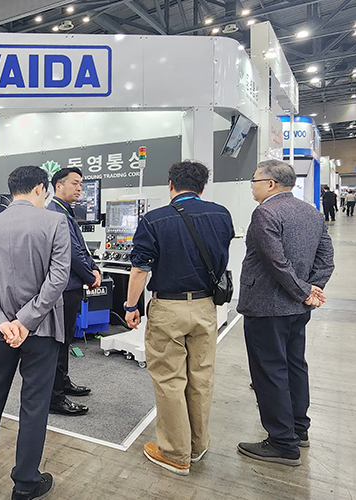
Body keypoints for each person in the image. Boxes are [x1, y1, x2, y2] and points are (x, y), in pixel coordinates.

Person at [0, 165, 71, 500]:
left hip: (0, 332)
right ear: (39, 188)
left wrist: (1, 321)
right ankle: (25, 483)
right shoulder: (55, 223)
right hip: (42, 329)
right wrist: (26, 320)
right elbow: (59, 277)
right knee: (34, 405)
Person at [124, 161, 234, 475]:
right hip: (206, 308)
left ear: (170, 184)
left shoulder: (154, 219)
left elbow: (140, 269)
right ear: (202, 187)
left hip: (168, 309)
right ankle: (197, 445)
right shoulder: (221, 215)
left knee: (169, 379)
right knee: (201, 377)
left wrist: (131, 307)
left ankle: (175, 452)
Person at [237, 160, 334, 467]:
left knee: (270, 372)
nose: (252, 186)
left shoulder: (265, 212)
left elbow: (275, 262)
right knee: (294, 366)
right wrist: (312, 288)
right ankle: (298, 428)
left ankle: (281, 442)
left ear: (270, 184)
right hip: (297, 308)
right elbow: (326, 256)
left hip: (267, 307)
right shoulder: (312, 212)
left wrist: (304, 291)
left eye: (254, 181)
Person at [47, 167, 101, 417]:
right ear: (58, 185)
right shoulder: (55, 213)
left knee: (66, 338)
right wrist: (91, 276)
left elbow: (81, 249)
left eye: (81, 184)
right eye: (75, 183)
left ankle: (63, 382)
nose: (79, 188)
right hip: (63, 288)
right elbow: (71, 253)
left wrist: (94, 268)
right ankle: (55, 397)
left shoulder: (66, 211)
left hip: (71, 286)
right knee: (59, 341)